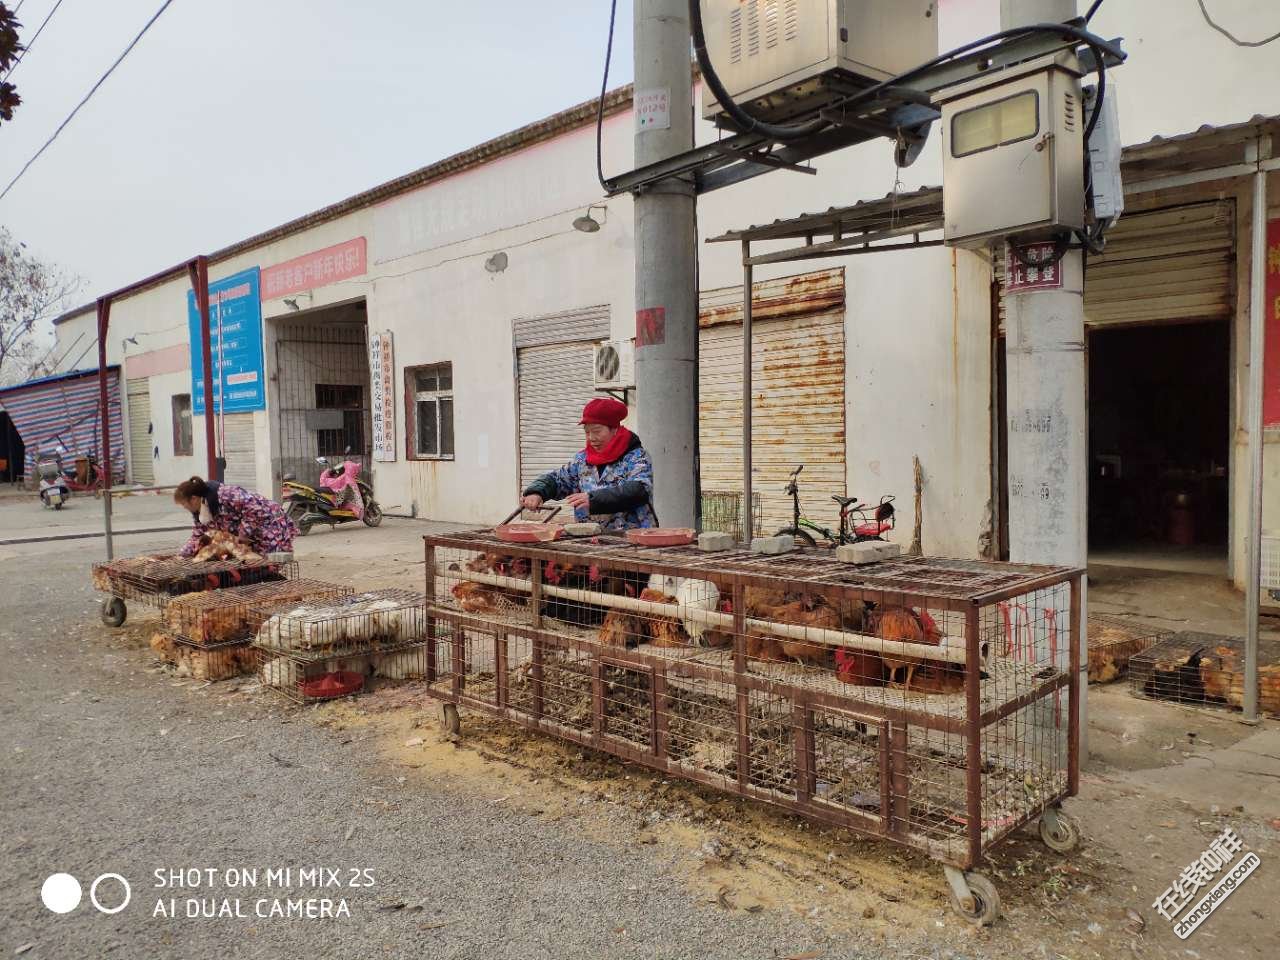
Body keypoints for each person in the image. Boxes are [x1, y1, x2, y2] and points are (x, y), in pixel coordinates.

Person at [521, 397, 657, 531]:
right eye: (587, 432)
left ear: (614, 429)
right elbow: (558, 479)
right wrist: (537, 492)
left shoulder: (637, 457)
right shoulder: (582, 460)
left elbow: (640, 490)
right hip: (591, 541)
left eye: (597, 431)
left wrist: (594, 499)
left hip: (633, 540)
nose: (591, 438)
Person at [174, 475, 297, 558]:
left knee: (268, 562)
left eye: (184, 504)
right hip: (252, 534)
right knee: (252, 564)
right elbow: (197, 536)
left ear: (194, 499)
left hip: (270, 523)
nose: (185, 508)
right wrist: (182, 555)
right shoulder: (201, 512)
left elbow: (254, 508)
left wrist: (242, 536)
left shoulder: (226, 494)